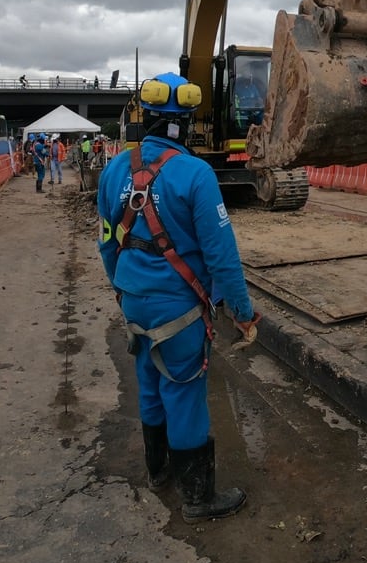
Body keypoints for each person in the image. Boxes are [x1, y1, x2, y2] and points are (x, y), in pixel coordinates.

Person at [97, 71, 261, 520]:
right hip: (180, 309)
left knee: (149, 381)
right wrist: (242, 311)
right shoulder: (196, 173)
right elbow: (222, 254)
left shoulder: (115, 170)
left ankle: (158, 471)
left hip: (134, 300)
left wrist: (120, 286)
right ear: (187, 123)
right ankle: (198, 498)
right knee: (184, 391)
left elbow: (108, 240)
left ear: (143, 117)